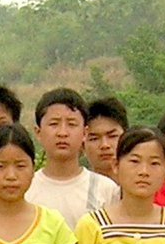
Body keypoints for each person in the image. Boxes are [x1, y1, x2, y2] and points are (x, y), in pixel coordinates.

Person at [27, 88, 116, 224]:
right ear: (38, 132)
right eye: (54, 124)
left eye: (71, 124)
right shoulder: (26, 188)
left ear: (85, 133)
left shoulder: (106, 190)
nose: (62, 133)